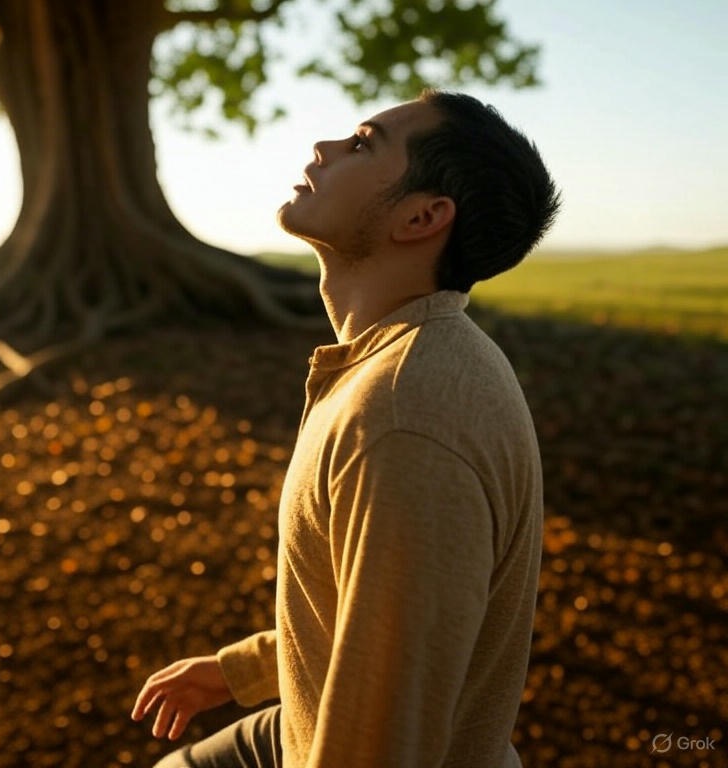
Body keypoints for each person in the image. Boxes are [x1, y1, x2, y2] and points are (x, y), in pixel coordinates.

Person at [131, 89, 560, 768]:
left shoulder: (402, 420)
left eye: (363, 144)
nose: (323, 150)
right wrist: (238, 670)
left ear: (422, 217)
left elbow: (385, 741)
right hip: (291, 729)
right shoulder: (402, 360)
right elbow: (378, 623)